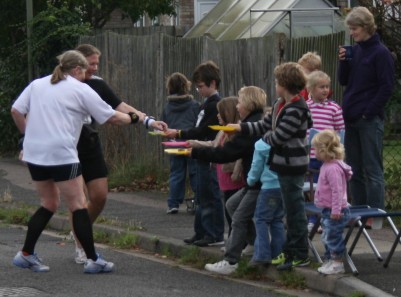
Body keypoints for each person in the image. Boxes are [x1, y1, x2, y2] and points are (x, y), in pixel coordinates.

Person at [10, 50, 138, 273]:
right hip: (61, 153)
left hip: (35, 153)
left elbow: (16, 110)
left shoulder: (38, 84)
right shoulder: (80, 88)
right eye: (85, 71)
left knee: (48, 203)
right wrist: (133, 118)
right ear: (77, 69)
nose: (86, 76)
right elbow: (112, 117)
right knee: (78, 205)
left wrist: (26, 136)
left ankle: (26, 254)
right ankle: (93, 259)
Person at [71, 44, 167, 263]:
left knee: (99, 196)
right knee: (77, 199)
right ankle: (80, 244)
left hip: (88, 143)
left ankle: (80, 229)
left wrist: (148, 121)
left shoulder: (97, 84)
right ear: (79, 63)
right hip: (66, 146)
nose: (95, 68)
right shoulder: (59, 84)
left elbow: (120, 106)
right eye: (91, 64)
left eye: (97, 63)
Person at [229, 62, 312, 271]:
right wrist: (240, 127)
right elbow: (265, 126)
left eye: (277, 81)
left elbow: (278, 136)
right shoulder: (279, 104)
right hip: (281, 166)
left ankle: (300, 254)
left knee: (295, 213)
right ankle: (289, 251)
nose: (275, 85)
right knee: (286, 213)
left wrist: (266, 137)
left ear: (284, 83)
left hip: (293, 167)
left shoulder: (297, 109)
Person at [193, 86, 266, 275]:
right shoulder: (253, 122)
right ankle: (251, 242)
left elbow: (227, 152)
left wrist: (195, 152)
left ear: (249, 104)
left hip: (259, 183)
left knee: (239, 216)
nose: (238, 106)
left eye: (240, 102)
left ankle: (231, 260)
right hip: (253, 181)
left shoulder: (251, 127)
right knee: (232, 205)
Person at [338, 6, 395, 210]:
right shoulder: (357, 50)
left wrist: (369, 111)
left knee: (372, 169)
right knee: (353, 169)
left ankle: (376, 215)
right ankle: (359, 211)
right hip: (351, 118)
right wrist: (344, 62)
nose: (352, 33)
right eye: (351, 29)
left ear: (366, 27)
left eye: (355, 28)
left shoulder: (381, 54)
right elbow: (344, 81)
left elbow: (387, 87)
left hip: (369, 119)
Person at [164, 61, 225, 247]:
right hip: (199, 153)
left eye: (201, 86)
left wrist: (181, 134)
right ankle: (200, 231)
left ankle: (213, 234)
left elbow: (202, 130)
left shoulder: (215, 104)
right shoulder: (205, 103)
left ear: (212, 83)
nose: (198, 90)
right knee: (200, 195)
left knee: (209, 195)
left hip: (208, 154)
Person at [188, 96, 245, 236]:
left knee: (233, 210)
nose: (218, 115)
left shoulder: (236, 132)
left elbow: (240, 156)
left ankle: (237, 241)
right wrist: (195, 144)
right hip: (224, 178)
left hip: (233, 178)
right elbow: (214, 145)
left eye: (221, 112)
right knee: (228, 209)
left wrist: (236, 173)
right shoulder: (222, 130)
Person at [305, 70, 345, 232]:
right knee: (312, 189)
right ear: (311, 89)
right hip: (310, 156)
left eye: (327, 87)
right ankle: (312, 218)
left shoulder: (334, 108)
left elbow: (340, 131)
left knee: (326, 188)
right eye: (321, 87)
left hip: (328, 157)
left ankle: (323, 218)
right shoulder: (305, 107)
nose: (325, 90)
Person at [312, 129, 352, 275]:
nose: (314, 152)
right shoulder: (326, 166)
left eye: (316, 149)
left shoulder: (333, 168)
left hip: (335, 211)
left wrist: (336, 210)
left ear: (324, 150)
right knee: (327, 236)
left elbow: (337, 191)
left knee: (333, 236)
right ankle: (330, 260)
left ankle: (337, 263)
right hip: (328, 209)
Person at [162, 72, 199, 214]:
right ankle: (198, 200)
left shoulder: (168, 107)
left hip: (174, 144)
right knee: (195, 172)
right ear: (186, 86)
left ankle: (173, 203)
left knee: (176, 173)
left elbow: (164, 124)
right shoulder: (195, 105)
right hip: (191, 143)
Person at [247, 138, 285, 268]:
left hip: (269, 187)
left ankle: (261, 254)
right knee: (277, 219)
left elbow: (256, 166)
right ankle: (278, 253)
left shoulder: (261, 145)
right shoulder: (285, 140)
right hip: (283, 186)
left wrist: (250, 180)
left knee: (261, 219)